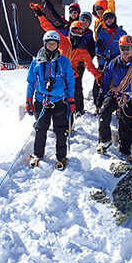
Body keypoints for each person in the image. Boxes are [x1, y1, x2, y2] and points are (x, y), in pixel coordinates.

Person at [25, 30, 76, 170]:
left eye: (54, 43)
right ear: (45, 44)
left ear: (58, 44)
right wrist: (28, 99)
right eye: (49, 43)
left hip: (59, 101)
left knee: (60, 130)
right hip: (41, 100)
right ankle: (38, 154)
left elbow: (70, 82)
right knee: (40, 128)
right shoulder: (37, 61)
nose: (51, 46)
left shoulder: (64, 62)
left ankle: (61, 156)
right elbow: (31, 81)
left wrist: (71, 99)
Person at [97, 34, 132, 161]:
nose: (126, 51)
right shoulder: (114, 63)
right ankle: (105, 140)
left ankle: (125, 149)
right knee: (103, 113)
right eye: (123, 48)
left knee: (127, 123)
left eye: (128, 48)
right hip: (115, 94)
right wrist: (101, 95)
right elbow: (107, 80)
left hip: (130, 97)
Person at [59, 21, 102, 114]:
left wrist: (98, 76)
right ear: (70, 30)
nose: (77, 34)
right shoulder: (63, 41)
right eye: (75, 30)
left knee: (77, 90)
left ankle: (78, 109)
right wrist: (41, 15)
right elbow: (49, 29)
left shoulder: (82, 50)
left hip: (72, 74)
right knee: (59, 94)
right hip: (59, 74)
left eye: (80, 31)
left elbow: (90, 65)